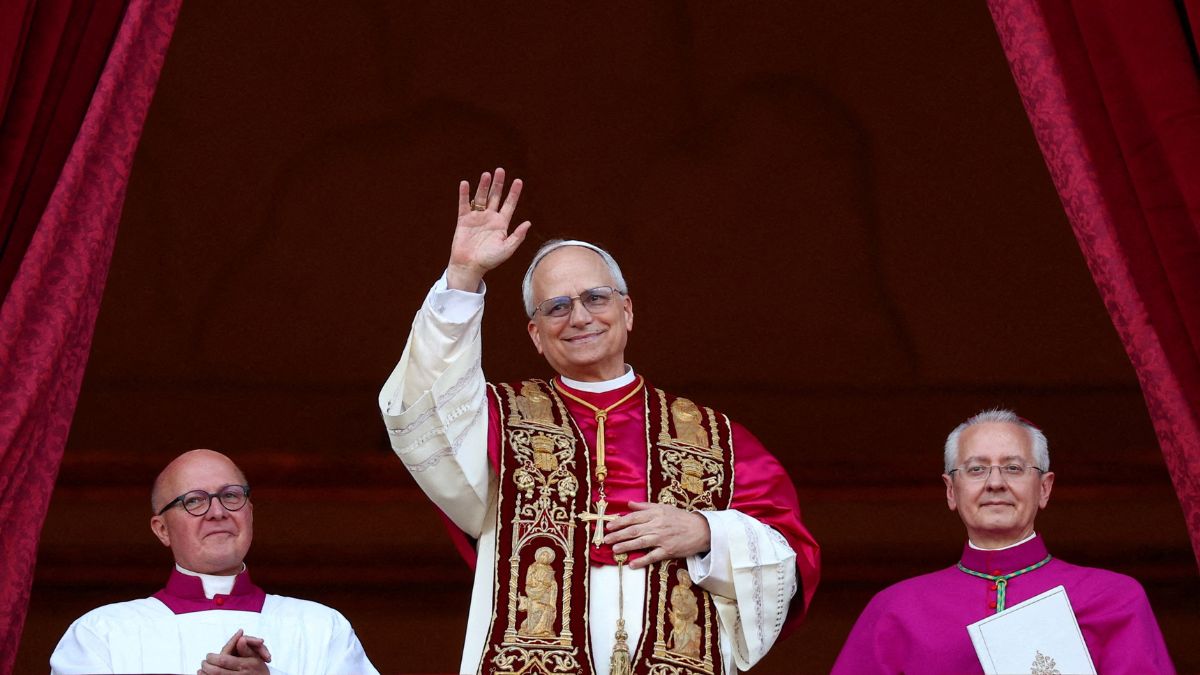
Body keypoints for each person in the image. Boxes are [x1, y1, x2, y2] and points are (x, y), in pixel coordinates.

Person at [379, 168, 820, 675]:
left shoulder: (715, 437)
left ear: (627, 310)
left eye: (595, 298)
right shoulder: (495, 419)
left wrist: (706, 532)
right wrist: (462, 277)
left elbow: (792, 562)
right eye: (557, 307)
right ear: (536, 335)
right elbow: (423, 409)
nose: (580, 318)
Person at [831, 409, 1175, 674]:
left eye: (1013, 468)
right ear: (951, 491)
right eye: (976, 469)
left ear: (1044, 488)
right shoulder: (896, 609)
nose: (995, 483)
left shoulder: (1113, 598)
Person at [49, 449, 379, 675]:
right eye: (194, 501)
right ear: (162, 529)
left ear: (249, 513)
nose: (217, 511)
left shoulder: (321, 627)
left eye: (231, 496)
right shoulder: (101, 634)